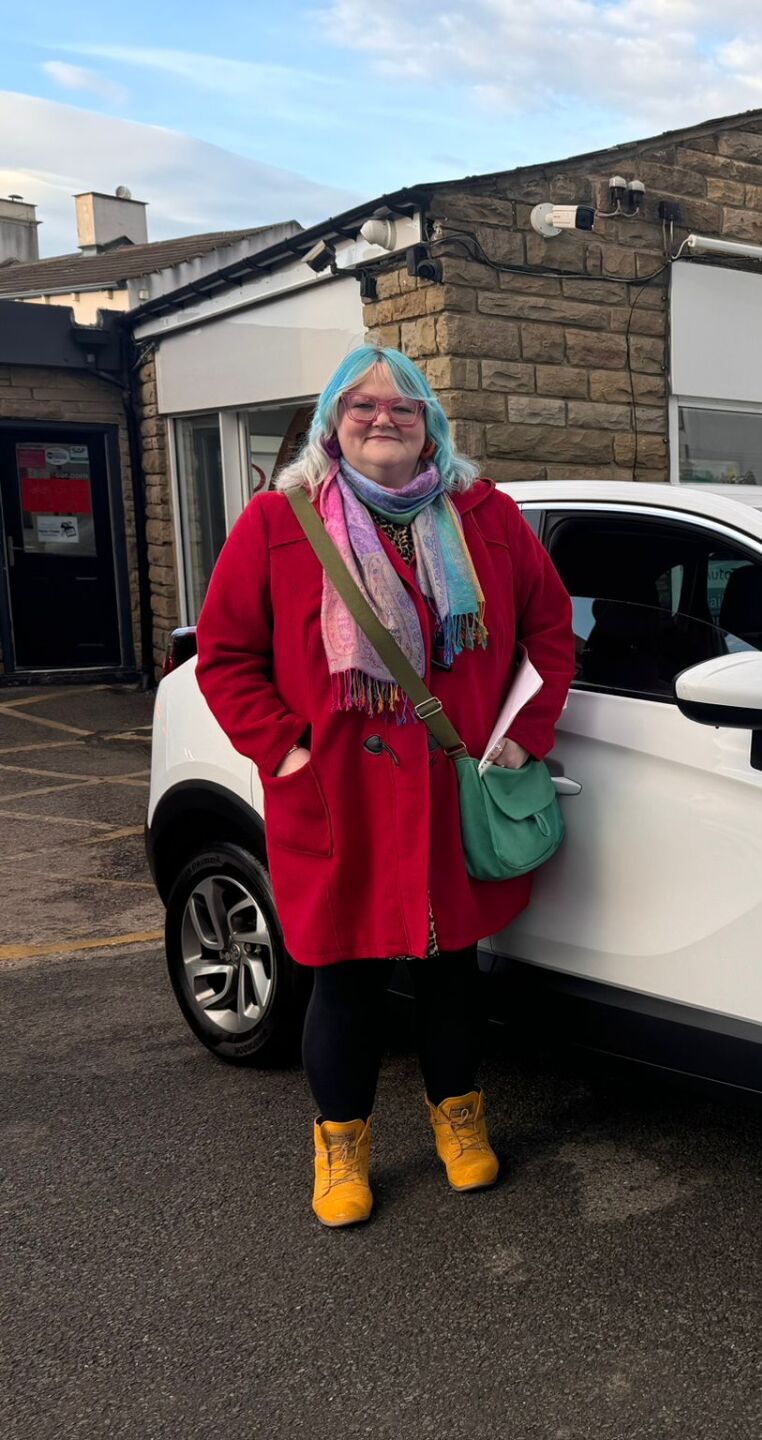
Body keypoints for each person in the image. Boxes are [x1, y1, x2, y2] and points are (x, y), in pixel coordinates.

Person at [195, 344, 574, 1227]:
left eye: (403, 408)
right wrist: (283, 752)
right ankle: (340, 1145)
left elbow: (551, 631)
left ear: (430, 423)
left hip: (449, 787)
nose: (382, 421)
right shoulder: (278, 522)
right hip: (338, 797)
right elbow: (226, 657)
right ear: (333, 420)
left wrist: (521, 736)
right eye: (361, 406)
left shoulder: (484, 515)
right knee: (345, 978)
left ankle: (459, 1120)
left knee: (451, 970)